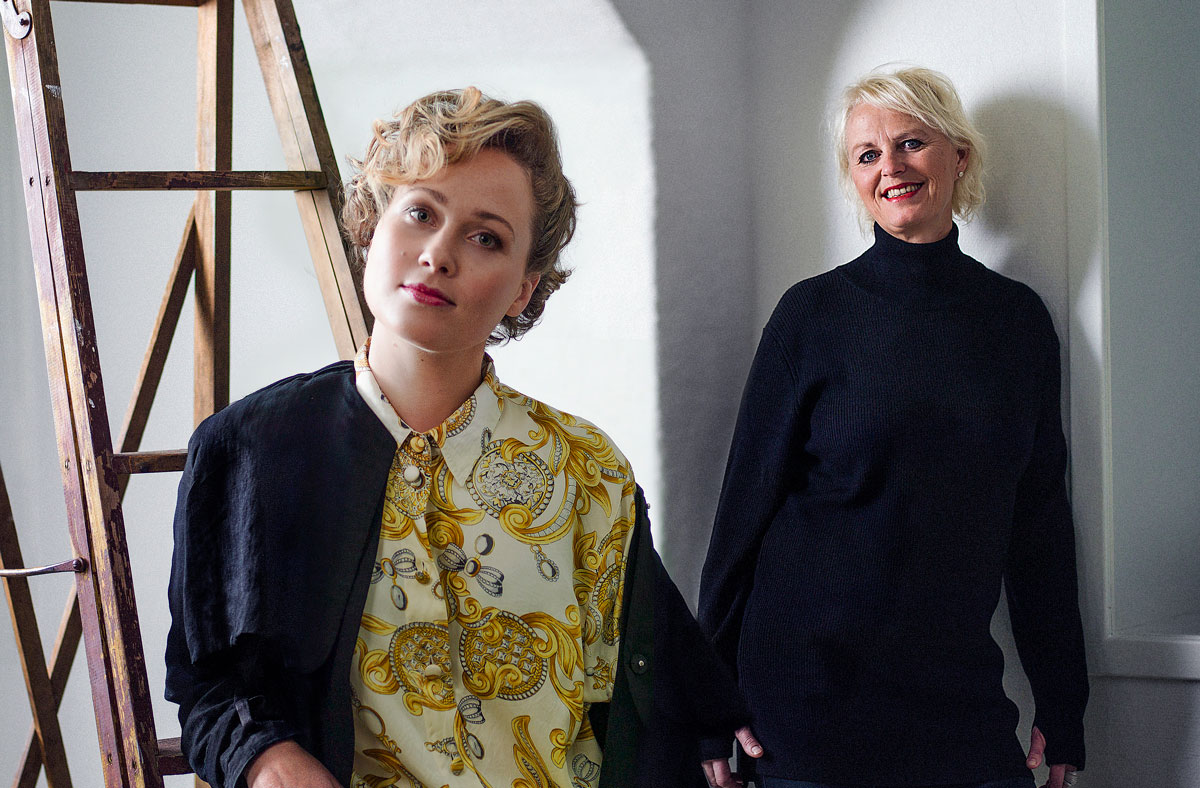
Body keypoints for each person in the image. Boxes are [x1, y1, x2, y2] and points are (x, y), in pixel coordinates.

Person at [165, 87, 748, 788]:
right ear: (372, 225)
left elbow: (647, 691)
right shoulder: (253, 449)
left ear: (524, 288)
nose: (438, 254)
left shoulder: (587, 471)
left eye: (485, 238)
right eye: (420, 213)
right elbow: (211, 687)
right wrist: (270, 759)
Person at [697, 67, 1089, 788]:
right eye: (867, 154)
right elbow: (744, 510)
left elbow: (1038, 529)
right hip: (807, 706)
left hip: (958, 703)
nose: (891, 168)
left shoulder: (1017, 323)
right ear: (853, 179)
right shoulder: (812, 314)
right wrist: (709, 698)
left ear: (958, 156)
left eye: (911, 143)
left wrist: (1064, 704)